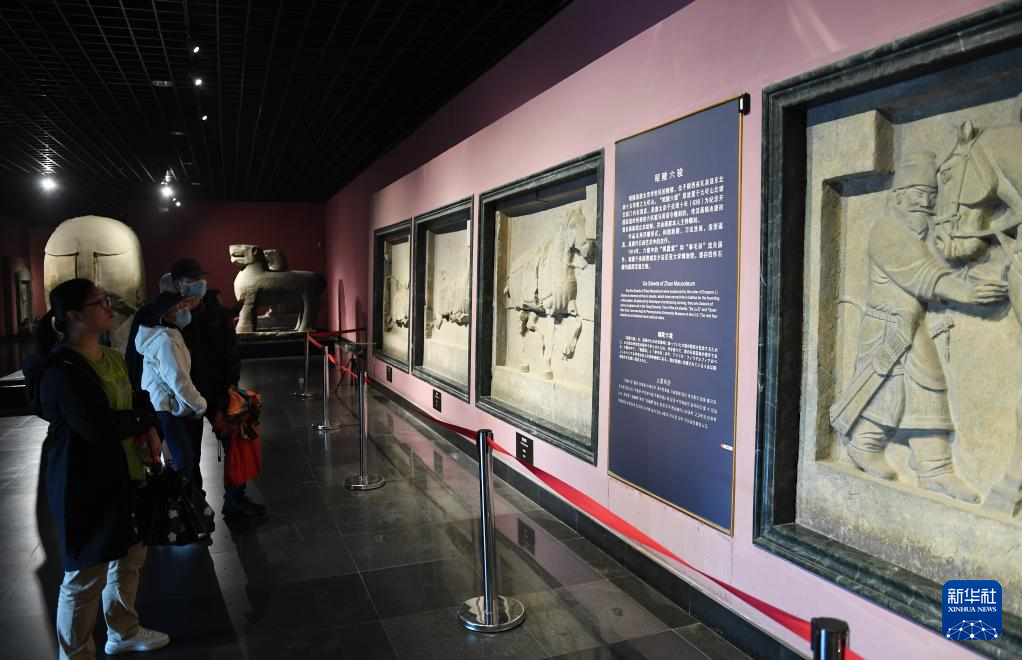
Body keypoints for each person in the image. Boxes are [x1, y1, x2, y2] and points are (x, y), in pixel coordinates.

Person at [830, 152, 1008, 502]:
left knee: (926, 386)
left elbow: (946, 262)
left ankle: (934, 469)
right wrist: (966, 293)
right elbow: (923, 274)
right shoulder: (886, 231)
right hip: (888, 327)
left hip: (911, 324)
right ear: (898, 197)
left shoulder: (921, 232)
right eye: (920, 194)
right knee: (887, 386)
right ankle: (865, 444)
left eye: (931, 195)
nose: (927, 202)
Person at [23, 278, 170, 658]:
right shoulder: (62, 370)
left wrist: (150, 424)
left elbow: (137, 398)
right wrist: (142, 422)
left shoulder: (112, 357)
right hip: (85, 479)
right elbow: (97, 426)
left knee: (129, 558)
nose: (108, 306)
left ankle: (123, 630)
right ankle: (74, 654)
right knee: (86, 573)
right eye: (99, 302)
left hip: (126, 473)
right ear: (74, 316)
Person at [167, 259, 265, 516]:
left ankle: (235, 498)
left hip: (219, 390)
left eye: (201, 278)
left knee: (237, 442)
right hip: (185, 396)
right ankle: (196, 507)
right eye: (192, 279)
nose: (199, 283)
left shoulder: (214, 311)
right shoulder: (170, 314)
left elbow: (231, 350)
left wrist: (231, 386)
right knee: (190, 454)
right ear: (178, 284)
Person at [135, 291, 207, 484]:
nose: (184, 310)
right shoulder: (166, 340)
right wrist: (200, 405)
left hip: (163, 406)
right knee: (184, 463)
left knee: (180, 459)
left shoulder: (166, 336)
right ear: (165, 315)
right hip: (165, 408)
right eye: (179, 307)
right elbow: (178, 379)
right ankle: (181, 501)